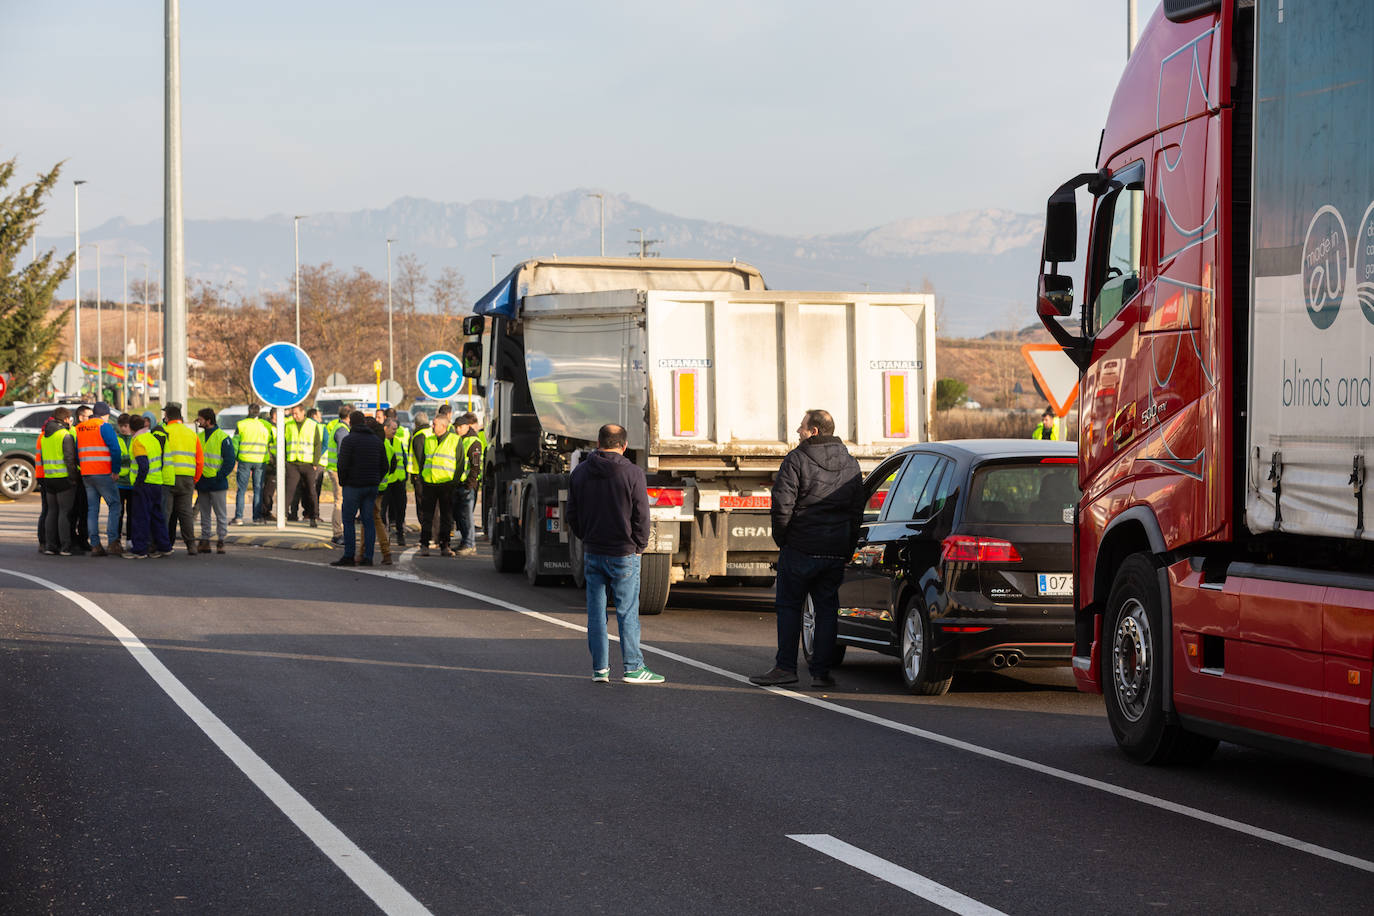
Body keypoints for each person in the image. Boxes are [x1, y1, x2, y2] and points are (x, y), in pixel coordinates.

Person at [750, 409, 865, 690]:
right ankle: (821, 673)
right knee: (826, 610)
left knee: (789, 607)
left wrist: (784, 540)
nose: (797, 432)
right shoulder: (851, 464)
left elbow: (781, 506)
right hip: (835, 550)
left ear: (814, 431)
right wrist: (846, 546)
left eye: (801, 427)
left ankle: (785, 667)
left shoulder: (797, 459)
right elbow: (856, 512)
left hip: (801, 548)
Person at [565, 423, 664, 685]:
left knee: (596, 613)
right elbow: (642, 514)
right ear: (624, 445)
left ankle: (600, 669)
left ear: (598, 443)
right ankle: (633, 667)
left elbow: (571, 515)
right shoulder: (632, 473)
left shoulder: (579, 473)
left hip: (593, 551)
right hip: (623, 552)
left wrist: (587, 536)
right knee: (627, 611)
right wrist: (639, 545)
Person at [332, 411, 388, 567]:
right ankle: (368, 557)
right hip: (371, 486)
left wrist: (343, 481)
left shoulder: (349, 441)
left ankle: (349, 556)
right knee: (368, 521)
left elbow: (342, 464)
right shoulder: (376, 441)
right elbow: (385, 465)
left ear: (351, 423)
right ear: (363, 422)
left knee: (348, 521)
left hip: (353, 486)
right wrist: (376, 479)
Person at [75, 402, 123, 556]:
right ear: (106, 415)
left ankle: (95, 545)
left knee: (92, 509)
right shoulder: (104, 426)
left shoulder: (80, 428)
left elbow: (77, 452)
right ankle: (113, 542)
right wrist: (115, 470)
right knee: (115, 505)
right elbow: (115, 450)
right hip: (103, 472)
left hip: (87, 474)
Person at [160, 403, 204, 554]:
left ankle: (163, 544)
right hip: (187, 478)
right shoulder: (192, 434)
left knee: (165, 512)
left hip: (168, 478)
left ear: (167, 417)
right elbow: (199, 460)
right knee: (185, 513)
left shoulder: (164, 432)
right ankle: (191, 545)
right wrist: (195, 479)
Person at [127, 414, 173, 559]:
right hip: (156, 483)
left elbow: (143, 464)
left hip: (144, 484)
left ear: (131, 428)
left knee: (141, 517)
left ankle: (140, 549)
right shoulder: (152, 438)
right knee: (157, 517)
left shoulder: (138, 441)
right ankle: (165, 547)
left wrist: (138, 483)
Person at [414, 411, 458, 557]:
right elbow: (423, 461)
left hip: (446, 485)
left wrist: (454, 483)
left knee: (446, 517)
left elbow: (460, 463)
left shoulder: (454, 440)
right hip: (429, 484)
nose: (432, 426)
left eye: (435, 424)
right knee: (427, 516)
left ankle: (445, 545)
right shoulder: (429, 440)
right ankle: (424, 544)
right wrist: (422, 478)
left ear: (443, 426)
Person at [194, 408, 236, 554]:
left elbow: (230, 461)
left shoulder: (223, 437)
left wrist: (220, 476)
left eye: (200, 419)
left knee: (220, 514)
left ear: (208, 421)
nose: (198, 421)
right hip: (203, 482)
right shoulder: (198, 437)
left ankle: (221, 540)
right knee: (205, 514)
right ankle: (205, 541)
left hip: (217, 483)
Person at [39, 407, 80, 555]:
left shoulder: (45, 436)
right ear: (66, 419)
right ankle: (65, 546)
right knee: (64, 513)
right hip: (64, 479)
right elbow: (69, 459)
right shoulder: (65, 435)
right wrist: (73, 477)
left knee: (52, 511)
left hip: (49, 479)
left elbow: (43, 458)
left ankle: (50, 545)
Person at [282, 404, 321, 527]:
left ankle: (314, 516)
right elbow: (283, 443)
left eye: (296, 413)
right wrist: (285, 461)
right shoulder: (288, 425)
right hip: (293, 463)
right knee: (289, 491)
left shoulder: (312, 425)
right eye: (293, 414)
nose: (294, 416)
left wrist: (315, 462)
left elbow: (317, 444)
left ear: (303, 412)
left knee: (311, 491)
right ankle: (284, 515)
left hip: (308, 464)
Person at [231, 403, 271, 525]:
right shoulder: (266, 426)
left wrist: (235, 459)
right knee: (258, 489)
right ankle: (257, 518)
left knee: (241, 490)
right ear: (258, 412)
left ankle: (239, 518)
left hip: (244, 459)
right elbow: (270, 441)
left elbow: (235, 444)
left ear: (248, 411)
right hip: (260, 460)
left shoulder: (241, 425)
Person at [452, 412, 484, 556]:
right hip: (459, 484)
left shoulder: (473, 442)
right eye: (456, 427)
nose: (457, 429)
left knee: (467, 516)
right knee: (460, 516)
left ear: (466, 426)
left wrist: (469, 485)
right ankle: (465, 542)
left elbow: (475, 466)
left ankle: (470, 544)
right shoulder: (460, 439)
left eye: (460, 427)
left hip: (467, 485)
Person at [320, 405, 351, 544]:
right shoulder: (342, 430)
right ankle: (338, 533)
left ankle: (338, 532)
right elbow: (342, 453)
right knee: (340, 502)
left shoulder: (339, 427)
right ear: (349, 416)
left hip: (335, 468)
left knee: (340, 501)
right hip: (338, 470)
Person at [380, 417, 408, 548]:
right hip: (386, 482)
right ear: (385, 428)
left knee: (400, 509)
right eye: (393, 429)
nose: (395, 431)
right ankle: (385, 535)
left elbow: (404, 460)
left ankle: (400, 533)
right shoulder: (380, 442)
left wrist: (405, 477)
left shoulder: (398, 442)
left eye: (396, 429)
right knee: (383, 510)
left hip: (399, 481)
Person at [115, 413, 136, 552]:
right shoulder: (117, 439)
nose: (123, 429)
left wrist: (124, 458)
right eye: (121, 426)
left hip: (133, 482)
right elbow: (116, 457)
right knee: (119, 513)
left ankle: (130, 539)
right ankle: (117, 540)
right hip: (120, 482)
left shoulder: (135, 439)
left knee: (132, 513)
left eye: (126, 426)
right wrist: (127, 458)